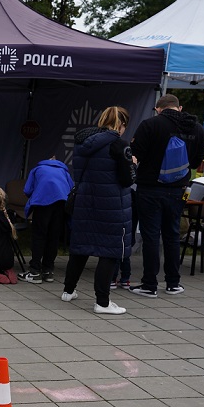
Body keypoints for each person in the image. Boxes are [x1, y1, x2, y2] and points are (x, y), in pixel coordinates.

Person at [129, 93, 204, 298]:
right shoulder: (197, 128)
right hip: (178, 189)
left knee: (151, 236)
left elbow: (136, 154)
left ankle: (149, 284)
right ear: (179, 108)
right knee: (172, 235)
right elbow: (196, 161)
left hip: (149, 188)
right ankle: (173, 283)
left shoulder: (150, 125)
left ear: (158, 109)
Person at [61, 107, 134, 314]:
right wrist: (133, 164)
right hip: (112, 204)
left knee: (81, 247)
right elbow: (128, 178)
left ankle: (68, 291)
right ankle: (102, 302)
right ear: (121, 125)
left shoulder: (82, 141)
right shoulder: (119, 145)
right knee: (109, 251)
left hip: (85, 200)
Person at [20, 155, 74, 283]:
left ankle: (34, 271)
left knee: (39, 236)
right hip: (61, 204)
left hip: (42, 203)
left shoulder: (37, 169)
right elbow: (71, 188)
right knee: (53, 237)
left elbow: (27, 190)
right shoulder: (64, 171)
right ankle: (48, 270)